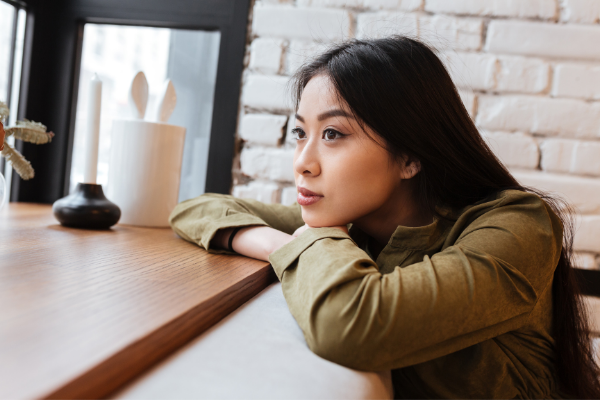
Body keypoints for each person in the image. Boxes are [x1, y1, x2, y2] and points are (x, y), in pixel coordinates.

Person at [169, 36, 600, 399]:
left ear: (410, 156)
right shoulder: (356, 227)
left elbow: (351, 327)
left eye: (333, 134)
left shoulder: (520, 224)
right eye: (300, 132)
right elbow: (195, 209)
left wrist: (308, 242)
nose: (302, 161)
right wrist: (279, 243)